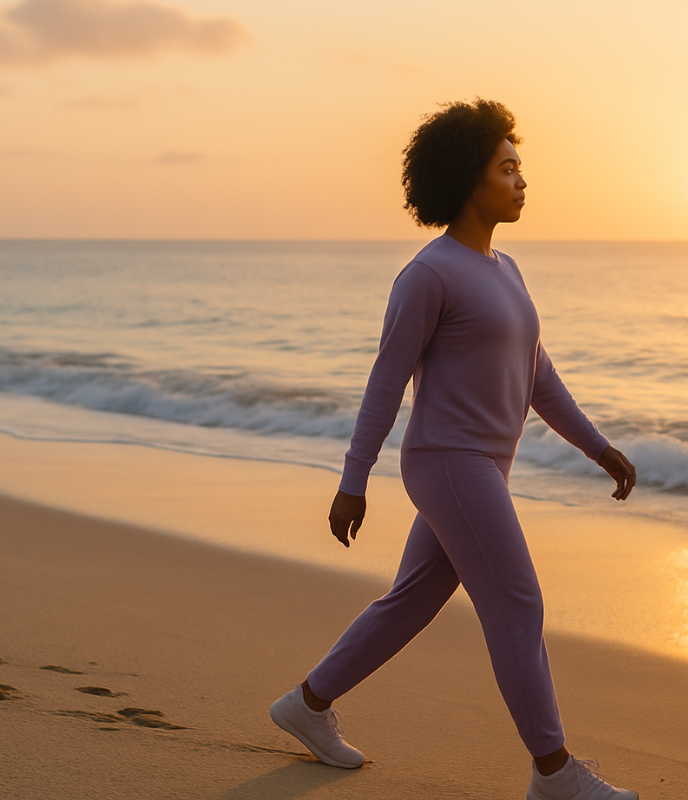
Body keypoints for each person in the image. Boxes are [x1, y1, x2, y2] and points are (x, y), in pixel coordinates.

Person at [270, 99, 640, 800]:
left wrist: (598, 447)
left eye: (520, 168)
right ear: (471, 180)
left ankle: (307, 705)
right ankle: (554, 772)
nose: (521, 180)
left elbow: (537, 376)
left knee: (410, 601)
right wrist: (355, 481)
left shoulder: (506, 269)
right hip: (448, 462)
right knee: (519, 605)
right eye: (507, 169)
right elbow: (385, 382)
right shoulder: (429, 274)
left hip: (480, 468)